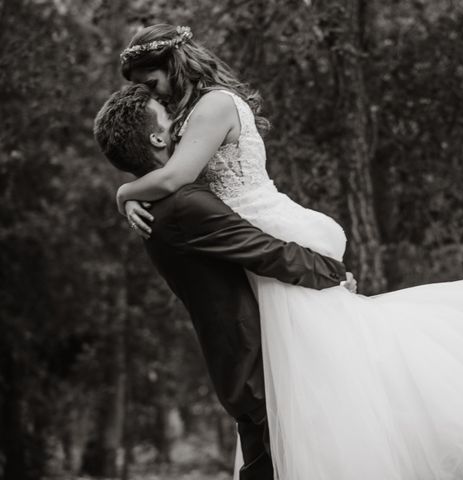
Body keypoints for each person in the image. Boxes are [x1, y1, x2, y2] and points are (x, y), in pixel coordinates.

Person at [115, 24, 463, 479]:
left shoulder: (213, 105)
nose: (149, 91)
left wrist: (124, 193)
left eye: (150, 80)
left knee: (323, 381)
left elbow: (178, 177)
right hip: (259, 239)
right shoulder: (193, 113)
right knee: (321, 376)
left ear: (176, 64)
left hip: (269, 231)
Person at [93, 83, 355, 480]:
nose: (181, 128)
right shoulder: (184, 205)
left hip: (242, 366)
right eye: (169, 121)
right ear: (158, 137)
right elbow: (267, 252)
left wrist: (125, 193)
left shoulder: (155, 204)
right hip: (255, 369)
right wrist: (334, 276)